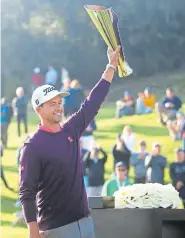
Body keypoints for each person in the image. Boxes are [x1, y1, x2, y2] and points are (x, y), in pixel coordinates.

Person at [19, 46, 121, 238]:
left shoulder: (70, 129)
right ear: (39, 110)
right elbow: (27, 191)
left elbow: (92, 103)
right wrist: (32, 229)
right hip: (56, 228)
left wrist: (111, 66)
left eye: (59, 102)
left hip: (86, 222)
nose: (58, 107)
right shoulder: (33, 146)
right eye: (52, 104)